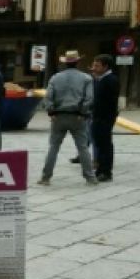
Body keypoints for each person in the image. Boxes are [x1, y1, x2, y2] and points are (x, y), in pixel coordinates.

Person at [37, 50, 97, 186]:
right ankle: (90, 177)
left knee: (53, 147)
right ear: (78, 62)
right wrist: (83, 113)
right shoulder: (86, 78)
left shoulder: (55, 78)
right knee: (82, 147)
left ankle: (46, 177)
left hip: (58, 116)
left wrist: (51, 112)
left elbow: (48, 97)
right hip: (77, 116)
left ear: (64, 63)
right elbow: (89, 98)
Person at [90, 54, 120, 182]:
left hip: (105, 117)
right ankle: (100, 169)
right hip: (97, 116)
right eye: (94, 65)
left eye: (97, 66)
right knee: (99, 143)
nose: (94, 68)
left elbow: (108, 102)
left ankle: (106, 171)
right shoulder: (100, 79)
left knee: (105, 144)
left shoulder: (111, 80)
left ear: (105, 66)